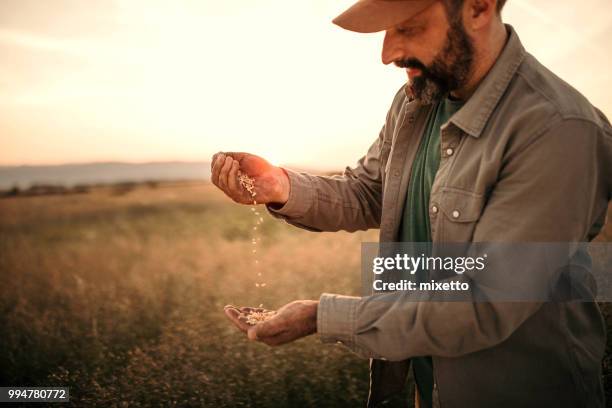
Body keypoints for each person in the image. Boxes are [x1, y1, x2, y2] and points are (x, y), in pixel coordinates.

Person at [211, 0, 612, 406]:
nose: (387, 54)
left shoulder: (558, 128)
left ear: (478, 7)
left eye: (407, 27)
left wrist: (320, 316)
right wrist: (279, 185)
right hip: (431, 386)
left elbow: (484, 304)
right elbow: (370, 191)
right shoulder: (415, 102)